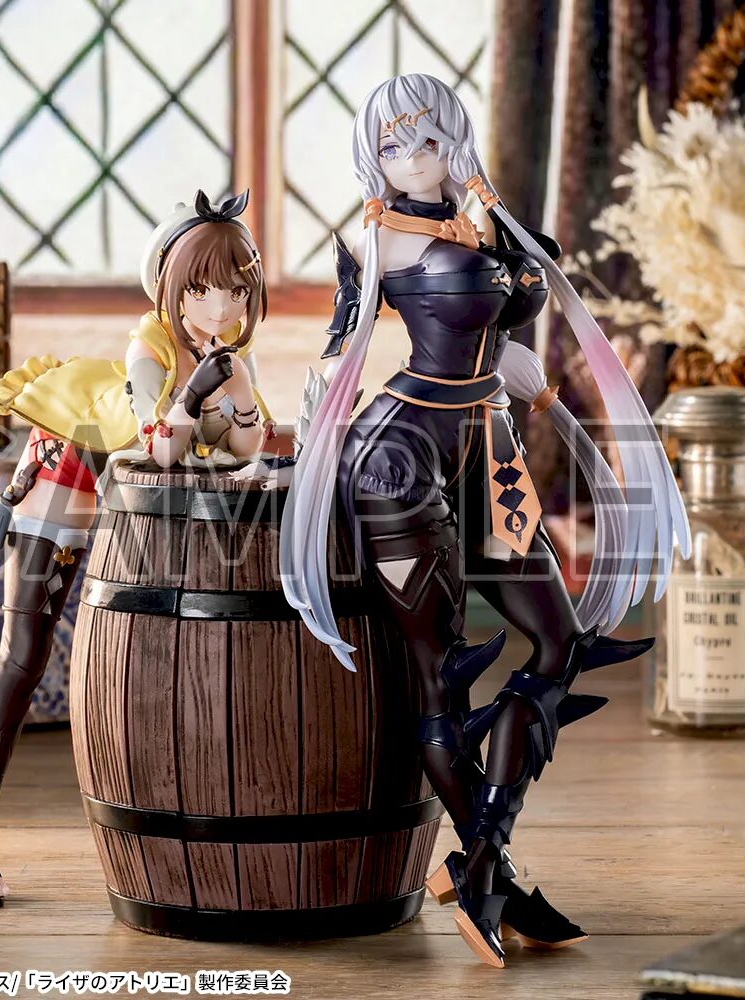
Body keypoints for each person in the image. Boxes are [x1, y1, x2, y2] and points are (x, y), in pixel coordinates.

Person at [278, 74, 690, 967]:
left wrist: (525, 372)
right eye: (390, 145)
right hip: (398, 458)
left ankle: (481, 858)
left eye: (425, 139)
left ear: (454, 139)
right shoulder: (380, 239)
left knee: (561, 640)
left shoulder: (485, 222)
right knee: (443, 676)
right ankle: (485, 875)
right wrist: (300, 452)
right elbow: (340, 353)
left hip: (487, 448)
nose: (409, 158)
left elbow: (513, 315)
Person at [0, 190, 273, 906]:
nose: (219, 306)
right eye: (200, 289)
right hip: (67, 474)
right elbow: (158, 448)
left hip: (139, 508)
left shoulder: (229, 354)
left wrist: (238, 387)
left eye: (234, 290)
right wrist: (196, 395)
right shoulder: (148, 349)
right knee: (22, 654)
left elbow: (248, 444)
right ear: (170, 287)